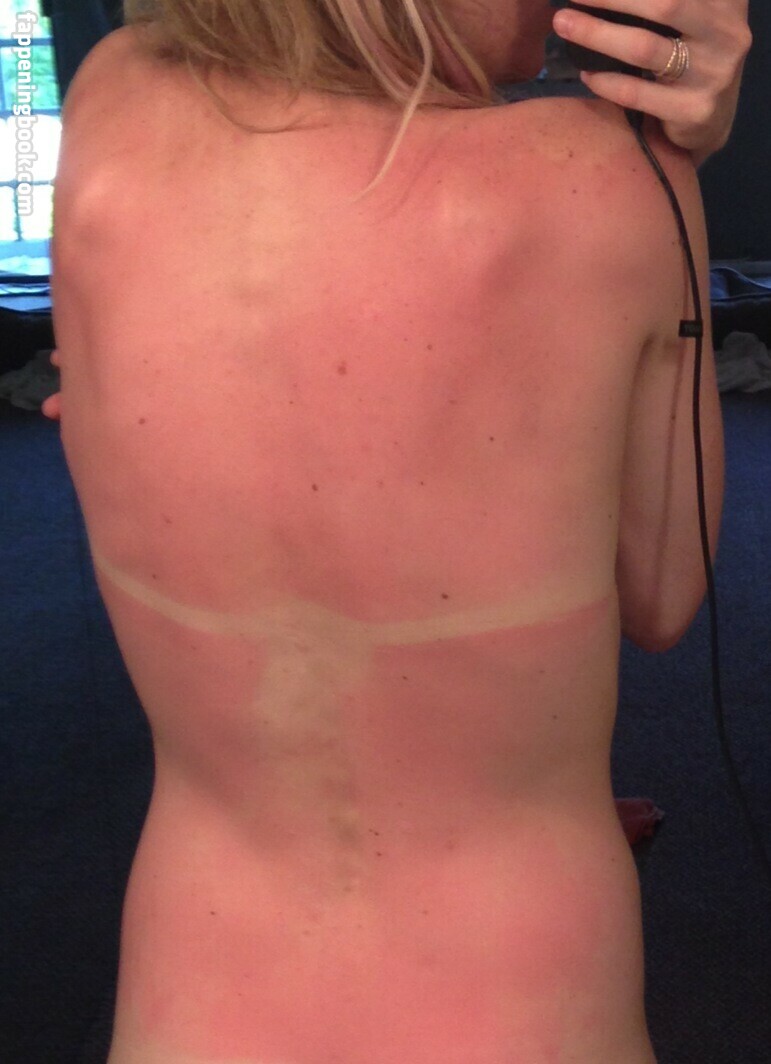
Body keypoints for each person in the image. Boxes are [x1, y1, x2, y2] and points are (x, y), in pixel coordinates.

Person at [45, 2, 750, 1062]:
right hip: (522, 1011)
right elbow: (662, 593)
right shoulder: (610, 177)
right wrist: (672, 164)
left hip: (194, 1005)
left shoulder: (111, 95)